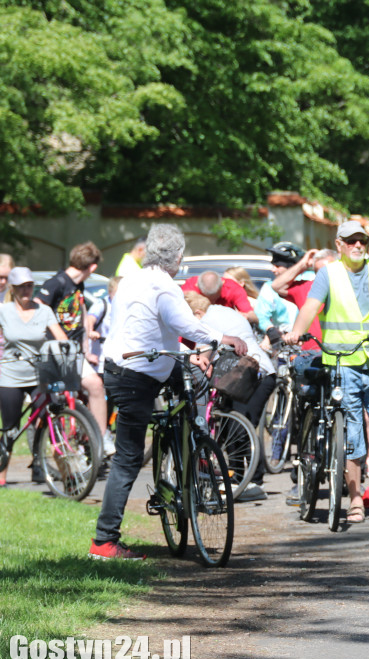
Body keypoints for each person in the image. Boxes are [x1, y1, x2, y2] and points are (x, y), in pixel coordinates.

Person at [92, 224, 248, 560]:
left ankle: (188, 447)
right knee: (128, 458)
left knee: (195, 379)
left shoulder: (133, 278)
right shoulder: (164, 287)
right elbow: (184, 324)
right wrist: (222, 339)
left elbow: (150, 325)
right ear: (178, 257)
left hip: (140, 365)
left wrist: (189, 351)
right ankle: (104, 541)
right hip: (136, 374)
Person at [282, 220, 369, 524]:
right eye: (351, 241)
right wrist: (297, 331)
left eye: (361, 240)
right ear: (339, 245)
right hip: (342, 361)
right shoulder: (329, 273)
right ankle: (354, 501)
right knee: (352, 435)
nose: (358, 246)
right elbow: (311, 305)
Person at [184, 291, 275, 502]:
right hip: (252, 372)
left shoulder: (208, 319)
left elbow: (203, 353)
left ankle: (251, 482)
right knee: (236, 425)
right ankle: (241, 479)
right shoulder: (220, 311)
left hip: (252, 374)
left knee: (240, 427)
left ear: (197, 312)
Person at [36, 242, 115, 456]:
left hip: (74, 352)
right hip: (54, 351)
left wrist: (85, 348)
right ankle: (53, 450)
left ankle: (98, 439)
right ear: (93, 267)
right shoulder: (57, 282)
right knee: (56, 401)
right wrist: (58, 335)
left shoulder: (77, 286)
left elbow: (79, 319)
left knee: (96, 387)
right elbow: (38, 306)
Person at [0, 267, 66, 487]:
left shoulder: (43, 310)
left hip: (39, 373)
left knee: (47, 414)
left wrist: (67, 349)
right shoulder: (4, 310)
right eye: (21, 287)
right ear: (13, 288)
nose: (26, 290)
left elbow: (60, 336)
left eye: (29, 286)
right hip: (11, 375)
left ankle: (40, 462)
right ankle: (2, 473)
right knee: (10, 426)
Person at [256, 242, 303, 333]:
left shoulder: (308, 281)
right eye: (273, 265)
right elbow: (261, 315)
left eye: (277, 266)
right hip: (283, 338)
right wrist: (270, 331)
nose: (273, 270)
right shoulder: (269, 287)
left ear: (291, 267)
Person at [182, 270, 257, 325]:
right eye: (206, 296)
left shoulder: (233, 289)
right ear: (197, 286)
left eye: (214, 296)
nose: (211, 301)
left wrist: (245, 316)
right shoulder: (190, 286)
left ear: (222, 285)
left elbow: (253, 316)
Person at [84, 276, 121, 373]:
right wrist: (91, 331)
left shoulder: (126, 306)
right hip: (99, 355)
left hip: (117, 355)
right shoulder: (102, 304)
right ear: (110, 292)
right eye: (117, 294)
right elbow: (89, 320)